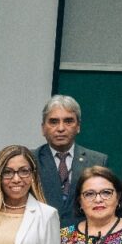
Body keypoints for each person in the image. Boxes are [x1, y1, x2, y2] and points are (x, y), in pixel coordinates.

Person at [35, 95, 108, 225]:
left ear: (78, 126)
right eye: (53, 122)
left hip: (82, 234)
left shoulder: (97, 161)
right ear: (43, 128)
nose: (61, 128)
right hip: (41, 233)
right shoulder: (30, 159)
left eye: (68, 121)